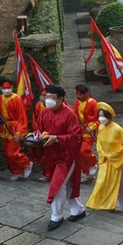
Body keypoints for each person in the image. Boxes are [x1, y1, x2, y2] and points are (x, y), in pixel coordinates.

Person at [34, 85, 86, 231]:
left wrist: (57, 138)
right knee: (68, 183)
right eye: (47, 96)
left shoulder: (70, 114)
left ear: (61, 99)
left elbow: (76, 137)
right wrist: (35, 138)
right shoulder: (45, 112)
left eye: (52, 97)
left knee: (57, 185)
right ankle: (78, 210)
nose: (48, 100)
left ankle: (56, 216)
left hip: (66, 156)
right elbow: (39, 129)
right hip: (51, 155)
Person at [86, 102, 123, 212]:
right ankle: (103, 204)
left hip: (117, 161)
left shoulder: (117, 129)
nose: (101, 118)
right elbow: (99, 142)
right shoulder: (100, 128)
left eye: (103, 116)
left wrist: (116, 155)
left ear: (109, 116)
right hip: (105, 160)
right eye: (99, 115)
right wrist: (102, 153)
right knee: (102, 183)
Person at [0, 79, 32, 181]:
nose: (6, 90)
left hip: (15, 128)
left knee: (12, 152)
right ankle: (17, 172)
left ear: (12, 88)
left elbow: (22, 117)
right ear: (0, 88)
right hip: (4, 128)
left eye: (8, 88)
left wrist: (19, 132)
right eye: (4, 88)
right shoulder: (0, 98)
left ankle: (26, 163)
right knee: (7, 154)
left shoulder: (17, 99)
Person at [74, 84, 99, 183]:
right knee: (79, 153)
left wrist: (92, 127)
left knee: (84, 151)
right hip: (79, 131)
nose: (78, 97)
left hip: (89, 132)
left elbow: (99, 119)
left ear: (86, 94)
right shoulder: (77, 102)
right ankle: (87, 172)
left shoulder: (93, 103)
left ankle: (93, 163)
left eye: (80, 95)